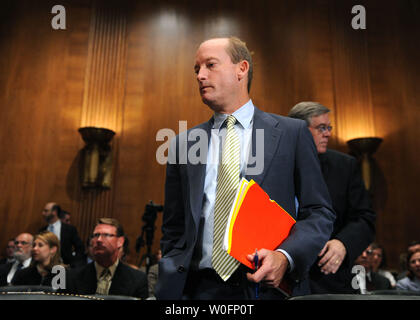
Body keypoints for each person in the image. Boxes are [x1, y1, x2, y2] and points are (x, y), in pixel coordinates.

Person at [156, 37, 335, 300]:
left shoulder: (291, 133)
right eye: (197, 69)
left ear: (242, 69)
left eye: (210, 65)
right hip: (196, 290)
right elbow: (174, 226)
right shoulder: (184, 143)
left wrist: (285, 257)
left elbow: (319, 211)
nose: (200, 75)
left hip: (266, 287)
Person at [288, 101, 376, 294]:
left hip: (330, 278)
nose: (327, 133)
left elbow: (365, 218)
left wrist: (343, 243)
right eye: (321, 128)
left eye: (329, 127)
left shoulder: (345, 166)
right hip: (283, 277)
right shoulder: (277, 163)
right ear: (299, 130)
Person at [64, 218, 148, 299]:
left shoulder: (137, 280)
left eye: (106, 235)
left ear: (120, 241)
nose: (99, 240)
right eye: (96, 235)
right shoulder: (72, 277)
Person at [40, 202, 85, 267]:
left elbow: (80, 248)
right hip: (45, 266)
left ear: (54, 212)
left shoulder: (69, 229)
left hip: (64, 267)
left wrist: (73, 263)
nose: (43, 213)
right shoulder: (42, 230)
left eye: (46, 211)